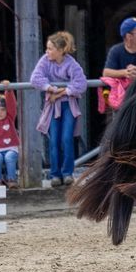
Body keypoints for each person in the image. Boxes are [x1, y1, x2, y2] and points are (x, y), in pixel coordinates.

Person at [30, 32, 87, 187]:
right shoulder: (45, 61)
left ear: (60, 50)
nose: (47, 51)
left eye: (50, 49)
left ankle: (67, 173)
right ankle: (55, 174)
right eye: (47, 48)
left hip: (68, 104)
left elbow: (81, 83)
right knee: (54, 139)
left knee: (66, 138)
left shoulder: (71, 63)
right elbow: (35, 79)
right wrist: (51, 88)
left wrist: (62, 92)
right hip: (53, 105)